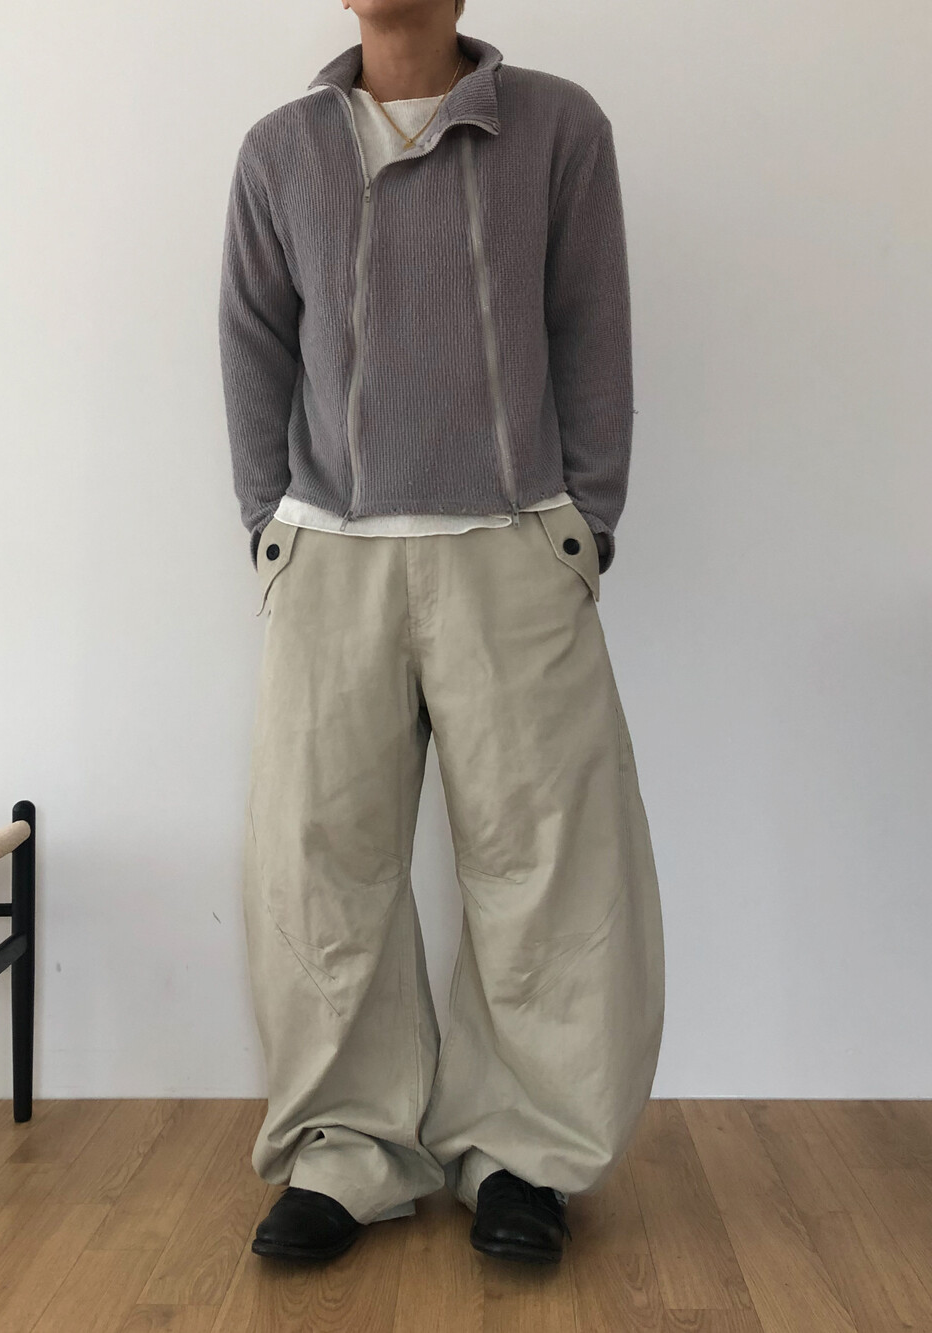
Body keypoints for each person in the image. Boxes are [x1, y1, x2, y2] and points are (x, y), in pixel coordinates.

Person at [218, 0, 665, 1267]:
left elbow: (590, 326)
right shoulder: (280, 150)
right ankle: (345, 1151)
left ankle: (525, 1154)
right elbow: (252, 343)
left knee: (546, 860)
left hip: (513, 544)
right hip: (330, 554)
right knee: (320, 862)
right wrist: (269, 526)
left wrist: (585, 525)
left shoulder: (557, 129)